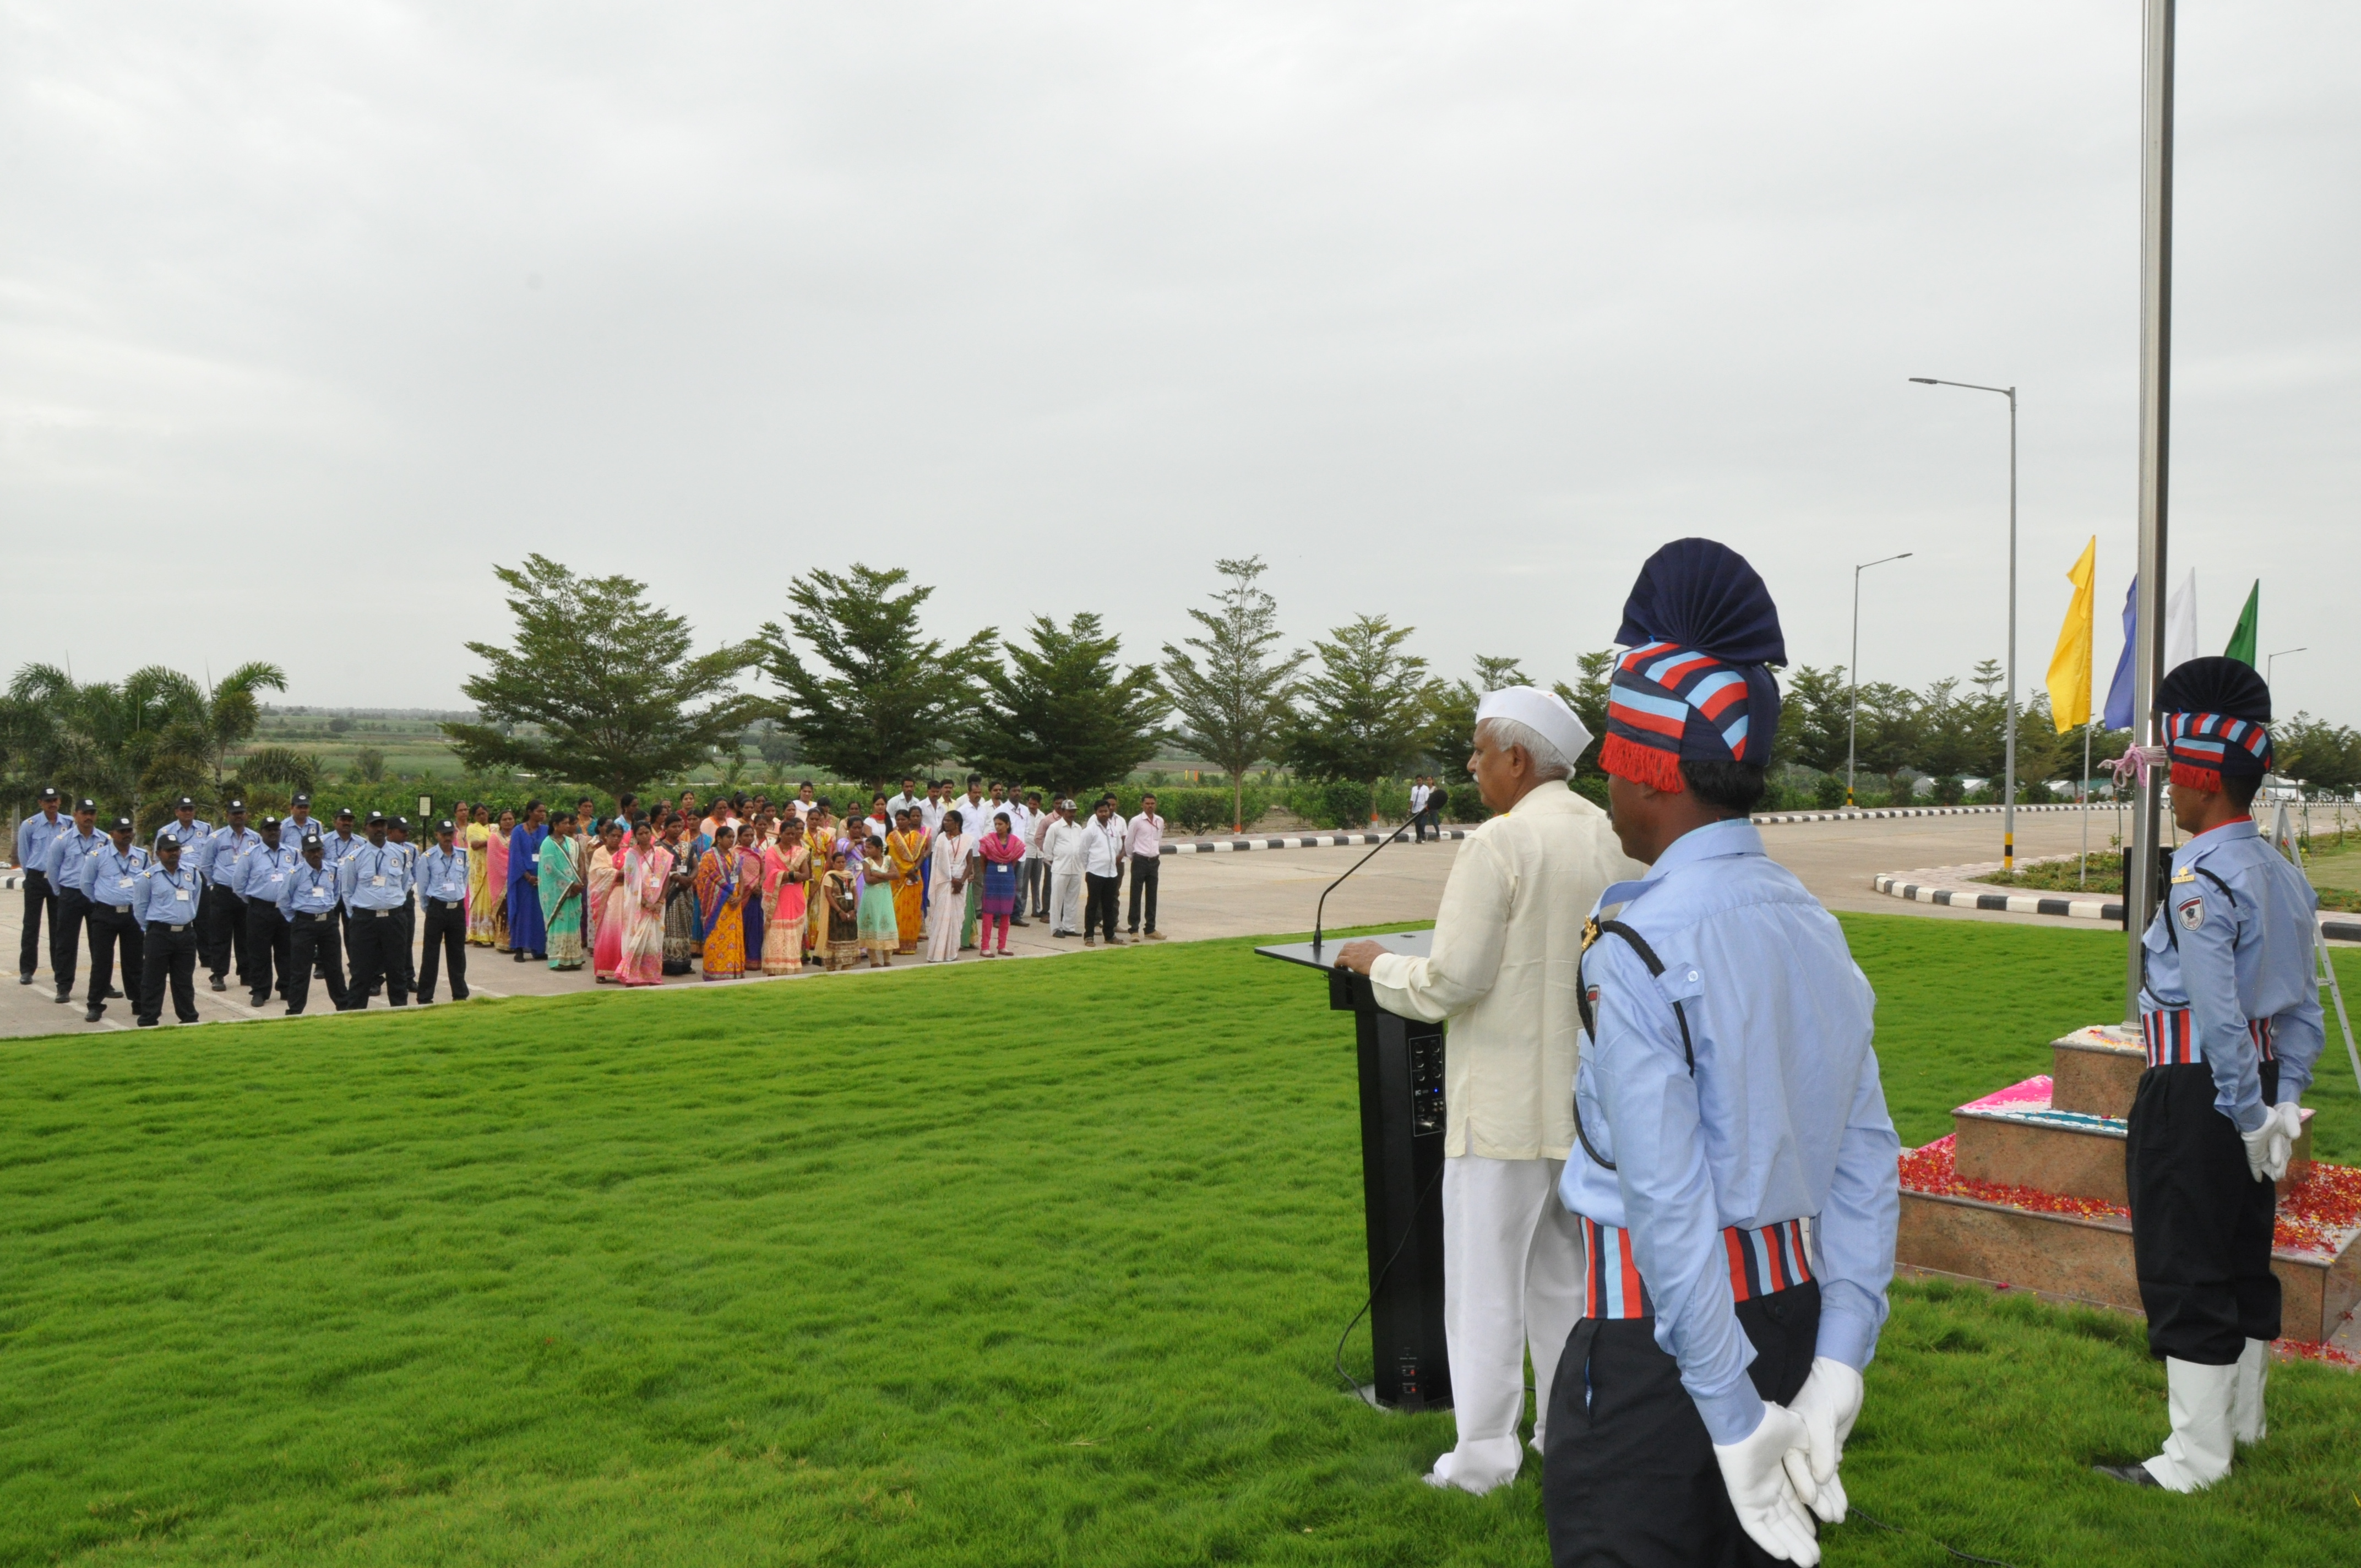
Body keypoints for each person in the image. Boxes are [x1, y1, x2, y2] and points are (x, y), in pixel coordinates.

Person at [1544, 539, 1898, 1564]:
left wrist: (1731, 1417)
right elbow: (1865, 1157)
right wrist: (1839, 1359)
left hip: (1656, 1345)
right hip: (1791, 1323)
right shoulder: (1810, 923)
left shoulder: (1638, 944)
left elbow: (1666, 1202)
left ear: (1654, 775)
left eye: (1616, 765)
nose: (1608, 788)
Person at [1332, 687, 1642, 1497]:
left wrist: (1376, 964)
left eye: (1478, 751)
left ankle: (1481, 1462)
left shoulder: (1501, 841)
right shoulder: (1614, 837)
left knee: (1483, 1292)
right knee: (1564, 1282)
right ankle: (1563, 1436)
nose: (1470, 766)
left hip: (1502, 1111)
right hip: (1589, 1108)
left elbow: (1453, 981)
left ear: (1517, 757)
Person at [2094, 657, 2326, 1494]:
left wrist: (2243, 1112)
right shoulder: (2283, 875)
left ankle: (2195, 1461)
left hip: (2198, 1092)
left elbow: (2219, 1015)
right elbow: (2302, 1009)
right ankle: (2241, 1426)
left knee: (2186, 1258)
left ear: (2201, 780)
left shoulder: (2201, 874)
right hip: (2254, 1087)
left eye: (2174, 777)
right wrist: (2280, 1104)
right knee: (2240, 1253)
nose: (2168, 792)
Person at [81, 815, 152, 1024]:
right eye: (122, 831)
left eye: (130, 831)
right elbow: (86, 884)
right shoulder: (98, 856)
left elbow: (147, 883)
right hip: (106, 914)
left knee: (135, 962)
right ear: (112, 834)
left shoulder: (142, 855)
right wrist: (103, 902)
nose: (127, 835)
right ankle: (95, 1005)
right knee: (102, 962)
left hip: (132, 915)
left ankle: (139, 1002)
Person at [339, 812, 413, 1009]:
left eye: (382, 825)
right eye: (374, 825)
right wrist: (358, 916)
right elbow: (347, 891)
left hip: (394, 920)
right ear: (366, 828)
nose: (379, 829)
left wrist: (392, 902)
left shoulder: (401, 854)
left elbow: (406, 883)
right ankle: (355, 1014)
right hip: (365, 921)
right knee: (361, 972)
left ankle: (400, 1012)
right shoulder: (355, 858)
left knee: (397, 970)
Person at [134, 832, 205, 1027]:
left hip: (186, 933)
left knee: (184, 979)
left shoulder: (192, 873)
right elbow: (140, 908)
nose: (174, 853)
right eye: (169, 850)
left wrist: (186, 918)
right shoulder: (147, 878)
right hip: (160, 934)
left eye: (177, 849)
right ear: (158, 853)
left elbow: (195, 900)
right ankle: (149, 1018)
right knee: (153, 979)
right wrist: (151, 929)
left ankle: (188, 1016)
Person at [43, 798, 107, 1006]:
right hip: (71, 895)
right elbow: (53, 870)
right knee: (66, 942)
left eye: (92, 813)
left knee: (100, 943)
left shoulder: (105, 840)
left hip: (95, 896)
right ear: (75, 815)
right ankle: (63, 986)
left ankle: (103, 984)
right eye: (84, 813)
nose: (88, 817)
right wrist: (60, 893)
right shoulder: (63, 840)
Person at [277, 834, 349, 1015]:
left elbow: (336, 893)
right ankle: (295, 1010)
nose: (316, 854)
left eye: (318, 850)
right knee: (300, 970)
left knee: (334, 967)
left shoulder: (333, 870)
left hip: (328, 923)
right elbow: (284, 900)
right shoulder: (295, 874)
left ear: (323, 851)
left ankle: (343, 1005)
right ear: (303, 854)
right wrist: (296, 919)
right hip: (304, 924)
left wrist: (328, 910)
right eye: (311, 851)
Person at [198, 799, 259, 992]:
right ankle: (218, 974)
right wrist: (217, 882)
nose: (238, 816)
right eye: (234, 813)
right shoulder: (216, 838)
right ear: (228, 816)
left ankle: (246, 973)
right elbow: (206, 865)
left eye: (241, 812)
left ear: (246, 815)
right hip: (223, 892)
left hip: (246, 894)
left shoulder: (255, 838)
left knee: (246, 935)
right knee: (220, 936)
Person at [238, 815, 298, 1007]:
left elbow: (298, 879)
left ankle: (287, 988)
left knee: (287, 951)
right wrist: (256, 901)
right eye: (269, 830)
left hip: (285, 910)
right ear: (261, 832)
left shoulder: (292, 853)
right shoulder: (250, 855)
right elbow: (239, 885)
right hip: (260, 910)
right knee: (259, 953)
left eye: (276, 830)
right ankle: (260, 991)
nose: (273, 833)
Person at [16, 787, 69, 989]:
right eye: (48, 801)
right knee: (31, 925)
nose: (52, 804)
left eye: (55, 800)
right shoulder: (30, 825)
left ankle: (59, 969)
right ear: (40, 803)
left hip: (59, 880)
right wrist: (32, 876)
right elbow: (24, 855)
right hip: (36, 879)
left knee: (58, 926)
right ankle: (27, 969)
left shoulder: (69, 824)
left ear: (60, 801)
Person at [416, 819, 471, 1004]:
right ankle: (425, 996)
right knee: (431, 954)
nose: (448, 837)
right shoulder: (428, 857)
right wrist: (430, 908)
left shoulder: (462, 855)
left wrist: (458, 897)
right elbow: (423, 887)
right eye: (444, 834)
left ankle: (460, 994)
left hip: (456, 909)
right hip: (437, 908)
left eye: (450, 834)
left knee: (457, 953)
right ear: (437, 835)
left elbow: (465, 879)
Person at [618, 822, 672, 987]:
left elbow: (666, 878)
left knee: (655, 941)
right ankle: (631, 975)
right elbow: (630, 883)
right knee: (635, 939)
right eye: (640, 834)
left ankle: (652, 976)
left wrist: (660, 901)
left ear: (651, 833)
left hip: (658, 906)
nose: (645, 836)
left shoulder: (661, 853)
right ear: (635, 836)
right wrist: (646, 903)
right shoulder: (632, 855)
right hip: (638, 906)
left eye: (647, 832)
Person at [695, 823, 749, 981]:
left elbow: (741, 879)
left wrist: (739, 896)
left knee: (733, 936)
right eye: (729, 837)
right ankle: (716, 971)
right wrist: (727, 893)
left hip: (734, 905)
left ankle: (733, 971)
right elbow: (705, 879)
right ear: (719, 839)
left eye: (733, 837)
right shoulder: (709, 856)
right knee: (716, 936)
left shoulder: (735, 857)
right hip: (717, 905)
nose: (732, 840)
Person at [761, 816, 809, 974]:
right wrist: (792, 875)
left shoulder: (800, 852)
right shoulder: (771, 851)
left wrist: (789, 876)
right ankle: (773, 968)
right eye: (788, 833)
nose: (791, 837)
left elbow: (806, 875)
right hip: (778, 895)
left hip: (795, 895)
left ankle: (791, 966)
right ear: (780, 834)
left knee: (793, 931)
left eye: (793, 834)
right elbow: (771, 873)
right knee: (776, 930)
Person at [540, 811, 587, 971]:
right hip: (559, 892)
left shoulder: (571, 842)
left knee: (573, 922)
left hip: (574, 889)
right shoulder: (548, 844)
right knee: (561, 922)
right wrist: (570, 885)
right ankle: (559, 959)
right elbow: (550, 869)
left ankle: (575, 958)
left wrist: (579, 881)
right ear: (555, 825)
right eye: (565, 823)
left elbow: (580, 862)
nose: (568, 826)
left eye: (569, 823)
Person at [975, 811, 1026, 956]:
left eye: (1001, 824)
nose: (998, 827)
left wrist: (1005, 868)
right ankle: (985, 947)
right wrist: (989, 873)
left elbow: (1014, 861)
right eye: (996, 824)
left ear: (1008, 825)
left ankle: (1002, 946)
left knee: (1006, 912)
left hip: (1008, 877)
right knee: (988, 912)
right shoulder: (988, 840)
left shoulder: (1015, 841)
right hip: (992, 875)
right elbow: (982, 861)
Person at [924, 810, 972, 963]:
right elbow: (939, 862)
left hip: (961, 882)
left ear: (957, 823)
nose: (945, 823)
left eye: (949, 820)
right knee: (941, 917)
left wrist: (961, 881)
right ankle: (937, 954)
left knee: (957, 918)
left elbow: (970, 863)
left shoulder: (967, 840)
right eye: (944, 820)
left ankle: (952, 953)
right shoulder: (941, 839)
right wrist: (952, 880)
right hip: (945, 881)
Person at [1080, 795, 1127, 948]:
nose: (1104, 814)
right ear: (1096, 813)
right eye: (1101, 811)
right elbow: (1083, 852)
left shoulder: (1113, 829)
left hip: (1111, 873)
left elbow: (1118, 847)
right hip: (1095, 873)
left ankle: (1110, 935)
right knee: (1093, 905)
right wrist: (1089, 868)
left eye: (1106, 811)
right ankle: (1089, 936)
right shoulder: (1090, 830)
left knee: (1109, 906)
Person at [508, 801, 550, 962]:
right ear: (530, 812)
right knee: (521, 913)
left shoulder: (546, 830)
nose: (543, 814)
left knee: (538, 915)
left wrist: (543, 876)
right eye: (539, 811)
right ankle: (518, 949)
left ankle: (538, 949)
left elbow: (548, 853)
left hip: (542, 878)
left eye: (544, 811)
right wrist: (527, 876)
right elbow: (515, 856)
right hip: (522, 879)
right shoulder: (518, 831)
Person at [662, 816, 700, 976]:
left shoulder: (687, 846)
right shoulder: (659, 847)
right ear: (665, 828)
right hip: (670, 891)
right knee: (670, 926)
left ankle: (685, 962)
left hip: (686, 891)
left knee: (685, 925)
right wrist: (678, 878)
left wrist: (690, 879)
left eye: (680, 826)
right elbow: (659, 869)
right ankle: (669, 964)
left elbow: (695, 866)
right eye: (674, 826)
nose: (677, 829)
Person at [589, 821, 627, 982]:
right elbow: (598, 872)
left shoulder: (626, 853)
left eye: (619, 836)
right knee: (607, 932)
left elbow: (633, 870)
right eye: (613, 836)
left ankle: (621, 970)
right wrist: (618, 874)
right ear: (606, 836)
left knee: (623, 934)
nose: (616, 839)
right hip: (607, 898)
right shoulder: (600, 853)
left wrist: (625, 874)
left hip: (625, 897)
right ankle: (601, 971)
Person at [1124, 792, 1165, 940]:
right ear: (1142, 805)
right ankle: (1134, 929)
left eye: (1152, 804)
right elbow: (1129, 842)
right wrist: (1133, 857)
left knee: (1152, 895)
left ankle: (1150, 929)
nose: (1150, 806)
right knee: (1136, 895)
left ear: (1156, 805)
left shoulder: (1160, 821)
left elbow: (1158, 839)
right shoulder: (1136, 821)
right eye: (1147, 804)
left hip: (1154, 861)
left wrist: (1155, 854)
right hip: (1140, 860)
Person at [888, 809, 928, 955]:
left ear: (909, 821)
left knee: (913, 909)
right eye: (898, 820)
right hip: (898, 877)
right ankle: (896, 943)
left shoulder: (918, 837)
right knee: (897, 909)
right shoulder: (892, 837)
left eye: (903, 819)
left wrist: (915, 869)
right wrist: (906, 871)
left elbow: (922, 854)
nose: (900, 822)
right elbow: (892, 857)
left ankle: (910, 943)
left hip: (914, 877)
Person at [1041, 799, 1084, 938]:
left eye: (1074, 811)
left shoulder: (1078, 828)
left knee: (1072, 900)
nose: (1072, 814)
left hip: (1076, 869)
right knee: (1057, 900)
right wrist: (1055, 862)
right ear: (1063, 811)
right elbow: (1047, 849)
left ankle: (1069, 927)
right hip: (1060, 869)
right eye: (1070, 811)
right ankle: (1056, 928)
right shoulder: (1055, 827)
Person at [857, 836, 900, 966]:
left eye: (870, 848)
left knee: (887, 923)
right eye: (866, 847)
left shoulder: (888, 859)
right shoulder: (866, 862)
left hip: (885, 897)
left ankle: (888, 960)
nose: (867, 850)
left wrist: (879, 874)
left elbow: (897, 875)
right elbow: (869, 880)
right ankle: (874, 961)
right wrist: (888, 877)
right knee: (872, 924)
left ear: (879, 848)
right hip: (871, 898)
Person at [819, 847, 862, 971]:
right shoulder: (830, 876)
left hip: (850, 911)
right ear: (833, 863)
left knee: (849, 937)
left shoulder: (850, 875)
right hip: (835, 913)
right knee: (835, 937)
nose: (842, 864)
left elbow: (855, 894)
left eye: (843, 862)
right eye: (839, 862)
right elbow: (828, 895)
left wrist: (854, 910)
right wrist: (840, 912)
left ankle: (847, 967)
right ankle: (832, 968)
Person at [1005, 790, 1037, 926]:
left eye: (1019, 791)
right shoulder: (1002, 810)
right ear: (1009, 792)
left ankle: (1016, 916)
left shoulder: (1025, 810)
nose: (1017, 793)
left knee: (1018, 887)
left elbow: (1027, 831)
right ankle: (1000, 916)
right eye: (1014, 791)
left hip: (1021, 855)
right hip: (1006, 855)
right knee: (1005, 886)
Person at [464, 805, 494, 944]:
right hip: (478, 871)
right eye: (479, 815)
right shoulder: (472, 829)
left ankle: (492, 935)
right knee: (478, 901)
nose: (482, 816)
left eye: (484, 813)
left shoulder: (495, 828)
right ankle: (477, 936)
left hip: (493, 869)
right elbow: (475, 845)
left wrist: (487, 842)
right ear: (474, 817)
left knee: (492, 901)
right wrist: (492, 841)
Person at [1410, 775, 1432, 842]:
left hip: (1422, 808)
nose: (1419, 782)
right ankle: (1419, 837)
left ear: (1422, 781)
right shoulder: (1414, 789)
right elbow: (1412, 799)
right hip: (1415, 808)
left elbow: (1427, 800)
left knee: (1419, 823)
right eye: (1417, 781)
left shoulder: (1426, 788)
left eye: (1420, 780)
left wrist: (1427, 810)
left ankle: (1421, 836)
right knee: (1417, 824)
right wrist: (1409, 809)